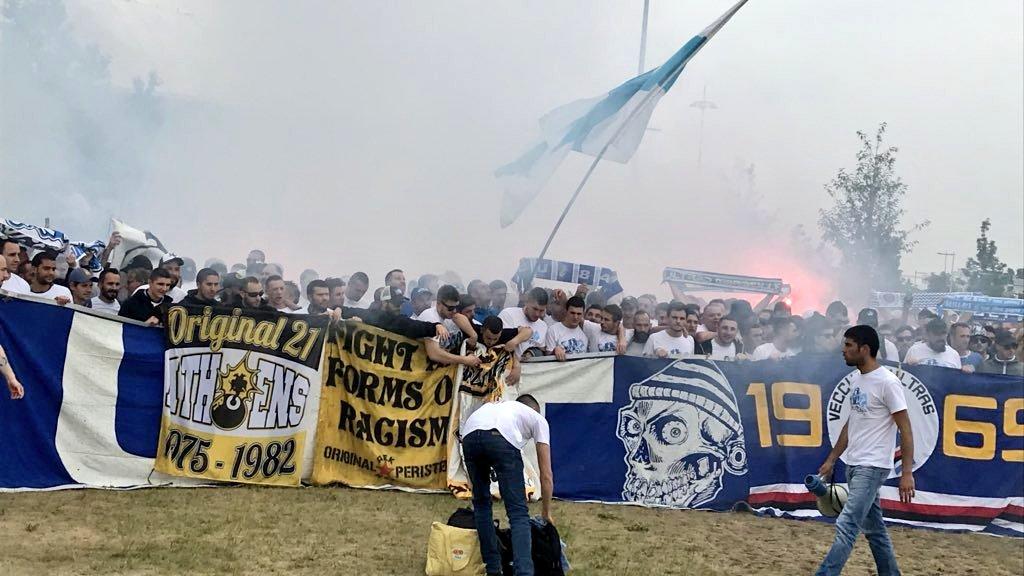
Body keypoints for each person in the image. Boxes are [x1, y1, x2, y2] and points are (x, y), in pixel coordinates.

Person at [816, 325, 914, 576]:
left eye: (849, 345)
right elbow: (852, 422)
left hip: (872, 466)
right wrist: (832, 458)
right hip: (855, 463)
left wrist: (906, 473)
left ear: (865, 349)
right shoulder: (859, 379)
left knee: (847, 524)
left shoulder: (888, 383)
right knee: (875, 530)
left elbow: (906, 428)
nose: (843, 350)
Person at [461, 395, 553, 576]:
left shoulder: (498, 407)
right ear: (534, 410)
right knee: (518, 512)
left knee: (481, 505)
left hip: (470, 435)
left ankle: (493, 569)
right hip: (500, 437)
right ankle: (523, 572)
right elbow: (546, 475)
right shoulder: (537, 418)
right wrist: (546, 512)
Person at [415, 285, 476, 353]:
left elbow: (458, 317)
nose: (455, 311)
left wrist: (473, 335)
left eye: (456, 307)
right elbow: (435, 355)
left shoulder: (450, 315)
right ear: (438, 304)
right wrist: (465, 360)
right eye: (450, 308)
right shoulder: (430, 317)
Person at [498, 287, 547, 358]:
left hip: (532, 367)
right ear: (526, 302)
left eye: (541, 310)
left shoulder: (543, 326)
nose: (537, 314)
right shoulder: (508, 314)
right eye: (535, 309)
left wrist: (532, 352)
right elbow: (500, 342)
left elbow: (541, 350)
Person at [545, 296, 588, 361]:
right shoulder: (553, 330)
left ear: (583, 314)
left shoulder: (586, 332)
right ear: (566, 311)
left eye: (579, 314)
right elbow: (546, 359)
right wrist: (555, 351)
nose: (575, 317)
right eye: (572, 313)